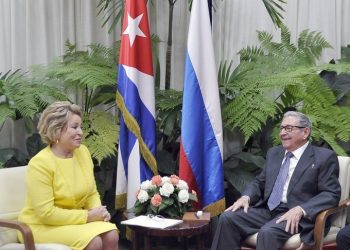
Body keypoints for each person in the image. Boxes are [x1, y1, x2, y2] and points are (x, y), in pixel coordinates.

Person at [211, 111, 341, 250]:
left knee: (267, 232)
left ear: (305, 132)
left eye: (289, 128)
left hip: (297, 216)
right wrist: (246, 197)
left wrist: (302, 209)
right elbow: (260, 182)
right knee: (227, 218)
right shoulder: (274, 153)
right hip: (268, 209)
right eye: (282, 128)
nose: (282, 133)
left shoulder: (324, 158)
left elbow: (331, 193)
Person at [18, 101, 119, 250]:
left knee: (111, 234)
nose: (81, 132)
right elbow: (47, 214)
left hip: (73, 221)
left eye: (80, 127)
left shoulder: (83, 152)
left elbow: (91, 192)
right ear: (57, 130)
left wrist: (100, 213)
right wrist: (87, 216)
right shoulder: (40, 164)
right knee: (94, 242)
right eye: (74, 127)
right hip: (40, 226)